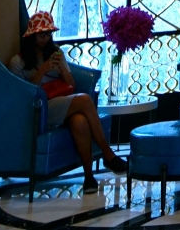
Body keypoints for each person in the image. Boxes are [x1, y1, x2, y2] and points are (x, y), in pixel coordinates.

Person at [9, 11, 128, 192]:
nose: (46, 39)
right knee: (86, 100)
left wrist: (63, 71)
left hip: (61, 102)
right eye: (42, 35)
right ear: (32, 35)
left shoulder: (55, 53)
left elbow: (71, 85)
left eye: (49, 34)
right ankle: (108, 153)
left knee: (79, 121)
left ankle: (89, 177)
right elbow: (24, 96)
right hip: (40, 109)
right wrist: (42, 70)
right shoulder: (17, 61)